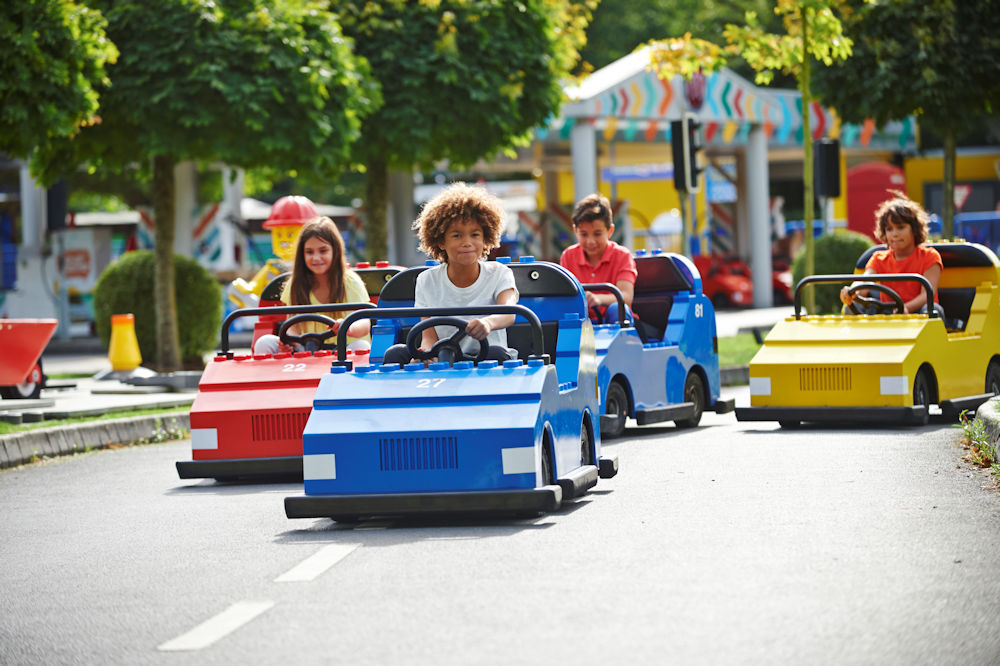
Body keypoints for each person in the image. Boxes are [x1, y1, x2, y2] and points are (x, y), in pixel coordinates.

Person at [383, 183, 518, 365]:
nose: (467, 242)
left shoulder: (499, 273)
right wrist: (427, 354)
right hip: (445, 356)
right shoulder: (426, 280)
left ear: (486, 237)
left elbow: (509, 313)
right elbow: (428, 335)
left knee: (497, 354)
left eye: (475, 235)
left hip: (487, 358)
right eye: (457, 236)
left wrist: (488, 323)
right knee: (395, 354)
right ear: (440, 241)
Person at [253, 216, 371, 354]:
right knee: (264, 342)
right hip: (306, 351)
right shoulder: (295, 284)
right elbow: (293, 325)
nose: (316, 258)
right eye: (309, 252)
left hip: (343, 351)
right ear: (302, 255)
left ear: (335, 250)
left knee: (361, 346)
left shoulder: (350, 281)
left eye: (323, 251)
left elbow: (364, 322)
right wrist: (291, 344)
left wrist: (348, 327)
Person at [840, 191, 943, 316]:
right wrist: (851, 291)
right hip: (889, 314)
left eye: (900, 227)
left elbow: (927, 295)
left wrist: (906, 308)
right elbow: (864, 281)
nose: (894, 234)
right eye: (889, 229)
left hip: (918, 313)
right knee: (852, 307)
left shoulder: (929, 257)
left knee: (933, 310)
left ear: (914, 229)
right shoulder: (879, 259)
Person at [559, 193, 637, 324]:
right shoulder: (568, 256)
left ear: (610, 231)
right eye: (584, 234)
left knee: (617, 308)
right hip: (583, 323)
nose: (590, 241)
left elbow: (626, 296)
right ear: (575, 231)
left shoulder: (622, 255)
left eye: (597, 234)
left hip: (616, 321)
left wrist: (598, 299)